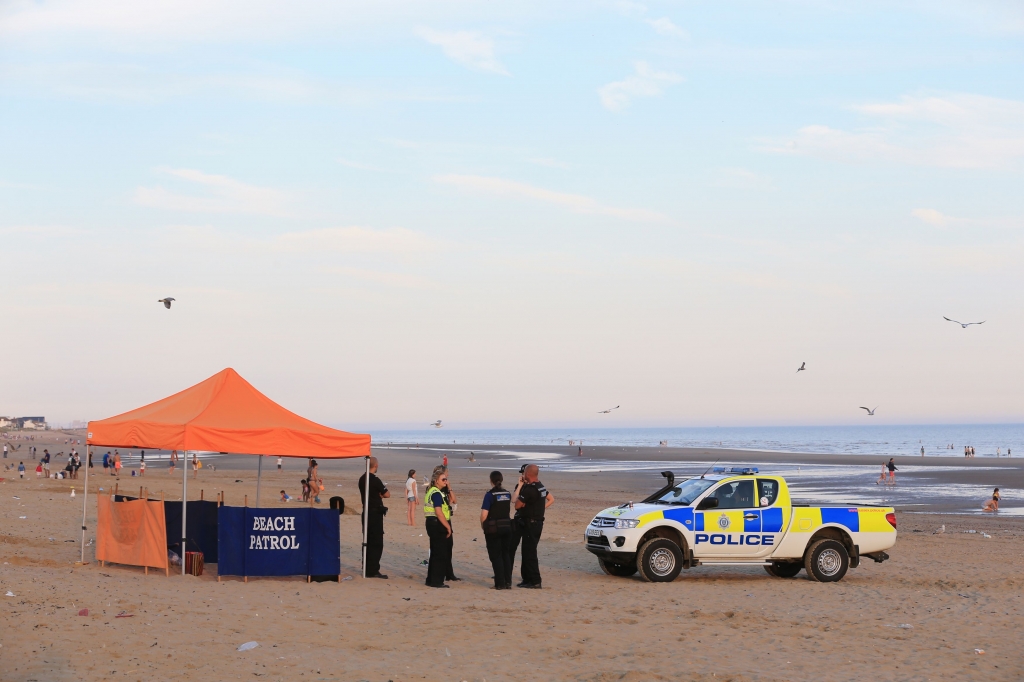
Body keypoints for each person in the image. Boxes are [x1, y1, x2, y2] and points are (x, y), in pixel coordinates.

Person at [512, 463, 554, 588]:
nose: (523, 474)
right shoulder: (541, 487)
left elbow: (517, 505)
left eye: (524, 472)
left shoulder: (530, 489)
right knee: (526, 552)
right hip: (535, 522)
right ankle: (527, 579)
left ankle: (535, 580)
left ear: (528, 474)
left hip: (532, 523)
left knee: (529, 553)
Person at [480, 470, 513, 589]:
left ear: (491, 481)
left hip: (494, 529)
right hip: (507, 527)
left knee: (496, 556)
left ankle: (500, 583)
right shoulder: (507, 494)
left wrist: (483, 526)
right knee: (506, 555)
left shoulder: (490, 495)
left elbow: (484, 514)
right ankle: (508, 582)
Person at [358, 456, 390, 579]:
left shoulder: (362, 479)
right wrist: (380, 496)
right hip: (374, 513)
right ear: (375, 466)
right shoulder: (375, 480)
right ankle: (372, 569)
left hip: (366, 512)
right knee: (376, 542)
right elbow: (387, 494)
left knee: (367, 541)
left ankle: (366, 566)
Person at [423, 466, 453, 588]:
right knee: (440, 554)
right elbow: (439, 512)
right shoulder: (436, 493)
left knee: (435, 552)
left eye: (446, 479)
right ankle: (437, 581)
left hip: (432, 523)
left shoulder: (433, 491)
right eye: (443, 479)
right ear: (436, 481)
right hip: (436, 524)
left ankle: (431, 579)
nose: (445, 481)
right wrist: (448, 527)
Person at [439, 468, 460, 582]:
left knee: (449, 547)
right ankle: (443, 572)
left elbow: (453, 500)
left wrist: (449, 486)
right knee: (442, 548)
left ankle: (449, 573)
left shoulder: (446, 488)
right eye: (445, 475)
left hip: (448, 518)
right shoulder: (436, 490)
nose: (447, 477)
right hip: (440, 520)